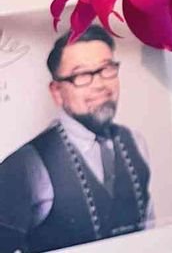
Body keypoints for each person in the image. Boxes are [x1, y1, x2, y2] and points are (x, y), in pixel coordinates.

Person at [0, 25, 153, 252]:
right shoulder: (24, 166)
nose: (100, 85)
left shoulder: (136, 142)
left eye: (106, 69)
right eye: (82, 75)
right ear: (57, 92)